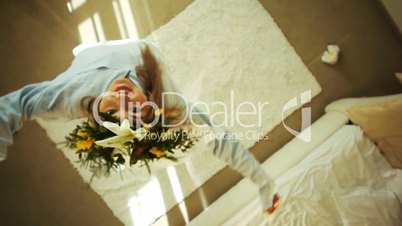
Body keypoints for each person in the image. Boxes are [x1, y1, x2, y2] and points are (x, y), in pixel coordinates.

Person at [0, 39, 279, 214]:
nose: (122, 100)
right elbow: (220, 140)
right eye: (137, 110)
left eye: (111, 110)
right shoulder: (170, 102)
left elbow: (15, 105)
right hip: (136, 50)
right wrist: (264, 181)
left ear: (95, 113)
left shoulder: (67, 100)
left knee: (82, 58)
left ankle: (90, 54)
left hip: (87, 63)